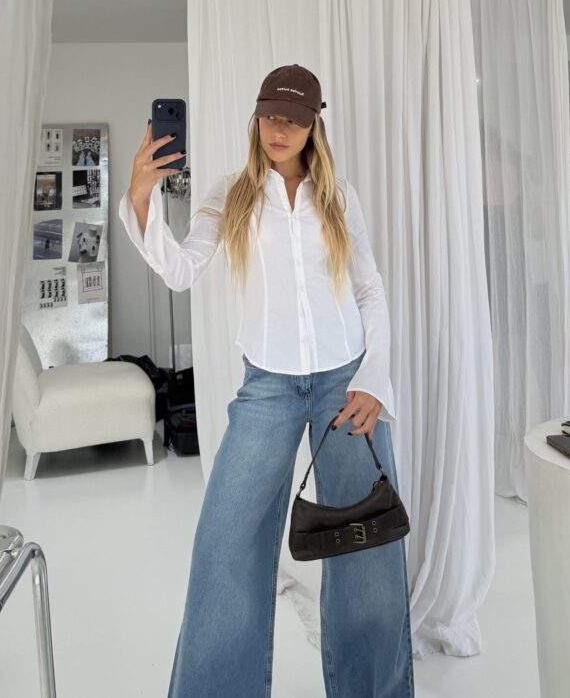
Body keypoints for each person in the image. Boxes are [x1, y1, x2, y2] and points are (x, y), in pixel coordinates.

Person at [118, 63, 414, 698]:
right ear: (256, 117)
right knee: (225, 546)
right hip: (268, 387)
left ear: (313, 126)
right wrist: (141, 200)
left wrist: (375, 377)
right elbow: (181, 270)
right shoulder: (231, 194)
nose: (280, 129)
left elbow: (369, 288)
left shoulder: (339, 197)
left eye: (294, 119)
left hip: (347, 382)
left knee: (366, 552)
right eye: (271, 115)